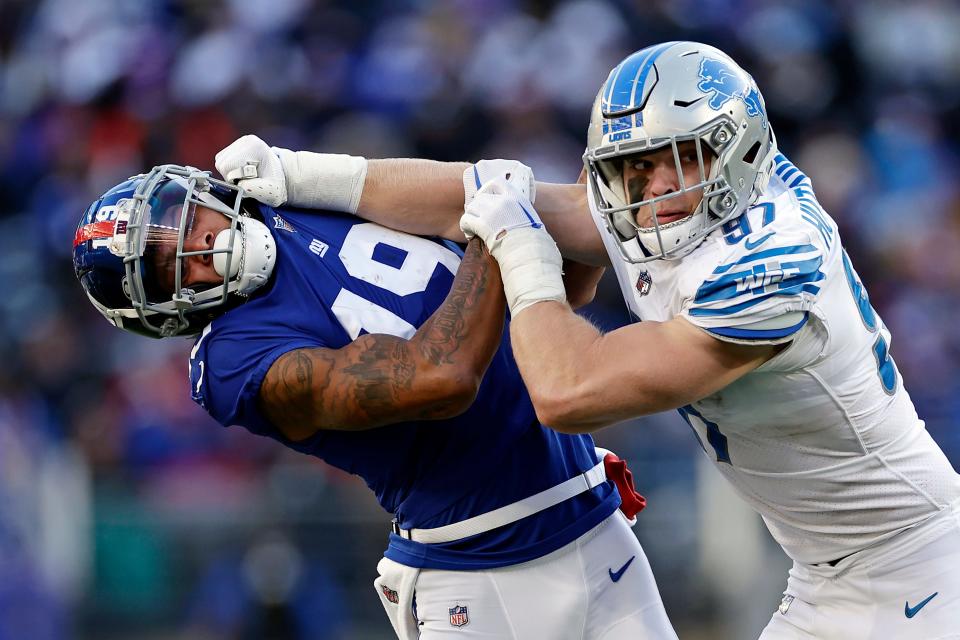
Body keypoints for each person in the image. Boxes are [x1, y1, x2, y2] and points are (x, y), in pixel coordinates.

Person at [217, 41, 960, 639]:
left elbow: (567, 390)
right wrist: (302, 173)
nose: (658, 185)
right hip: (829, 573)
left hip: (916, 567)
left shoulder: (769, 265)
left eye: (682, 158)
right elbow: (481, 195)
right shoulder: (677, 212)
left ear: (735, 151)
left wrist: (526, 259)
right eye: (634, 167)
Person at [72, 161, 678, 639]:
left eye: (179, 219)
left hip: (591, 517)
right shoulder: (233, 363)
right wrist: (501, 222)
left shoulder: (292, 192)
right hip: (480, 568)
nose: (190, 247)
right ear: (160, 311)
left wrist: (596, 171)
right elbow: (441, 376)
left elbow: (561, 286)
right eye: (162, 266)